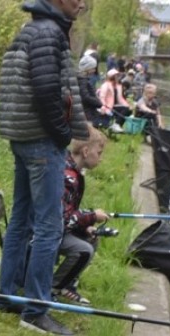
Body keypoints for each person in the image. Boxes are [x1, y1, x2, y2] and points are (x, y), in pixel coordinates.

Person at [0, 0, 88, 336]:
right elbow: (48, 88)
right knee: (50, 226)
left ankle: (7, 295)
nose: (82, 4)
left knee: (21, 219)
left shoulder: (32, 28)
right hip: (40, 141)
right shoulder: (50, 32)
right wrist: (62, 135)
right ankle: (36, 311)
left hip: (21, 136)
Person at [53, 124, 109, 305]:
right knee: (84, 250)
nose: (101, 159)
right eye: (99, 153)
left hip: (58, 227)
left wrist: (86, 226)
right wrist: (93, 216)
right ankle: (54, 287)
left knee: (92, 238)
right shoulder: (69, 176)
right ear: (85, 151)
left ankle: (67, 284)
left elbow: (68, 214)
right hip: (47, 231)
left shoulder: (74, 171)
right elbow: (65, 218)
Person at [97, 68, 131, 133]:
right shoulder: (106, 85)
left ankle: (117, 125)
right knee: (125, 109)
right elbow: (102, 97)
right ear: (112, 77)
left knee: (128, 110)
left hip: (114, 105)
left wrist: (127, 105)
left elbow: (120, 98)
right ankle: (116, 125)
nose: (119, 77)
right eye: (117, 76)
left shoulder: (118, 86)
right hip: (108, 106)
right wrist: (104, 106)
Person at [78, 54, 103, 124]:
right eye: (93, 68)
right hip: (86, 112)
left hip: (88, 111)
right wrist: (98, 102)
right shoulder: (83, 81)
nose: (94, 70)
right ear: (87, 68)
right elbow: (85, 97)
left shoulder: (84, 79)